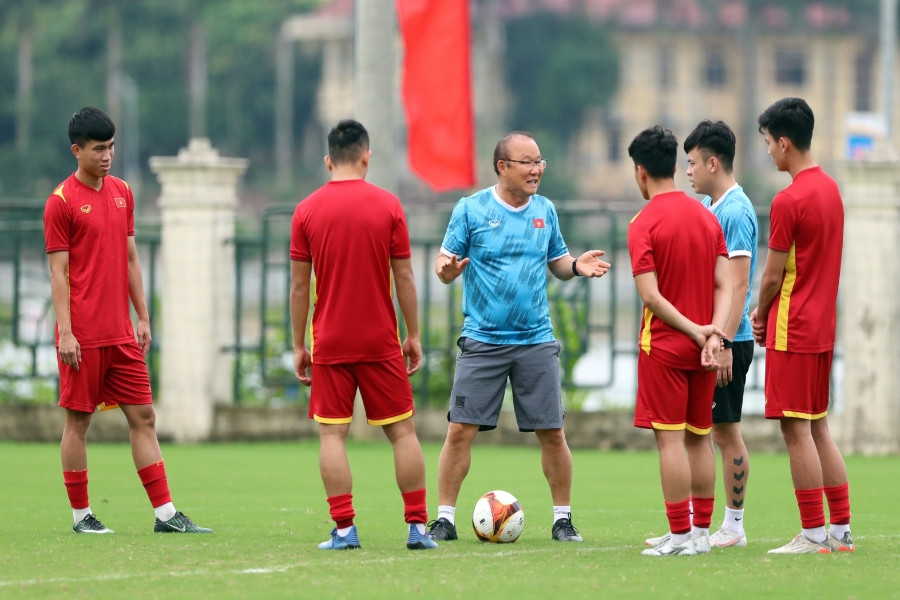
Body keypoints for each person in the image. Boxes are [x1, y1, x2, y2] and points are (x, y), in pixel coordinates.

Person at [426, 131, 611, 544]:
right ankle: (444, 519)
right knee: (459, 430)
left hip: (535, 341)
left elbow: (558, 263)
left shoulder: (545, 210)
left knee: (553, 432)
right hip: (482, 340)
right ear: (502, 166)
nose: (536, 169)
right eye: (527, 162)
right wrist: (447, 270)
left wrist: (576, 266)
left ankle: (562, 520)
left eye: (539, 161)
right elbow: (444, 260)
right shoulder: (470, 208)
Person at [43, 106, 211, 534]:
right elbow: (58, 273)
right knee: (78, 423)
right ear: (76, 151)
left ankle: (166, 514)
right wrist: (65, 331)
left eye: (112, 147)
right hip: (82, 335)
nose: (107, 155)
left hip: (121, 334)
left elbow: (131, 258)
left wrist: (143, 316)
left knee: (145, 417)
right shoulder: (60, 203)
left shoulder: (122, 192)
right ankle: (82, 516)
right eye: (99, 148)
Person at [289, 119, 437, 551]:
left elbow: (300, 286)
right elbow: (405, 276)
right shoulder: (389, 206)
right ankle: (418, 528)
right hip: (380, 341)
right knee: (403, 433)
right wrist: (413, 334)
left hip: (330, 341)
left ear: (328, 160)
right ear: (366, 157)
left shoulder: (307, 210)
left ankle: (344, 530)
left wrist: (299, 345)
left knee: (333, 435)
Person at [751, 97, 854, 555]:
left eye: (770, 144)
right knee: (818, 427)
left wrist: (757, 313)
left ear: (785, 142)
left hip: (792, 328)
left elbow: (773, 275)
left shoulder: (789, 199)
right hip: (823, 328)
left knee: (796, 430)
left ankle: (813, 534)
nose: (769, 152)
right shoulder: (831, 189)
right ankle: (840, 530)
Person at [626, 125, 731, 556]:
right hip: (704, 350)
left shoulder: (643, 222)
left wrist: (694, 330)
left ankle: (680, 535)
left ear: (640, 172)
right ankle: (701, 534)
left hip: (665, 348)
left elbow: (651, 295)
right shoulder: (707, 216)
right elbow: (726, 284)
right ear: (673, 165)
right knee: (699, 437)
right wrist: (715, 336)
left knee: (669, 441)